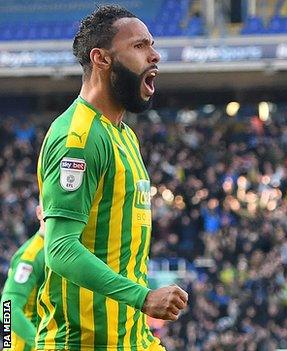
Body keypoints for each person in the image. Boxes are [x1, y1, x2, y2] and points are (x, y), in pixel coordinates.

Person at [36, 5, 187, 350]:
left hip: (131, 338)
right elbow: (60, 249)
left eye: (152, 44)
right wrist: (144, 298)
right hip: (84, 342)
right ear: (101, 59)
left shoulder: (122, 134)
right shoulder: (79, 138)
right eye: (139, 46)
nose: (155, 55)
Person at [0, 206, 46, 351]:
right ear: (39, 212)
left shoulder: (56, 250)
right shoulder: (31, 257)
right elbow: (7, 308)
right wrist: (41, 345)